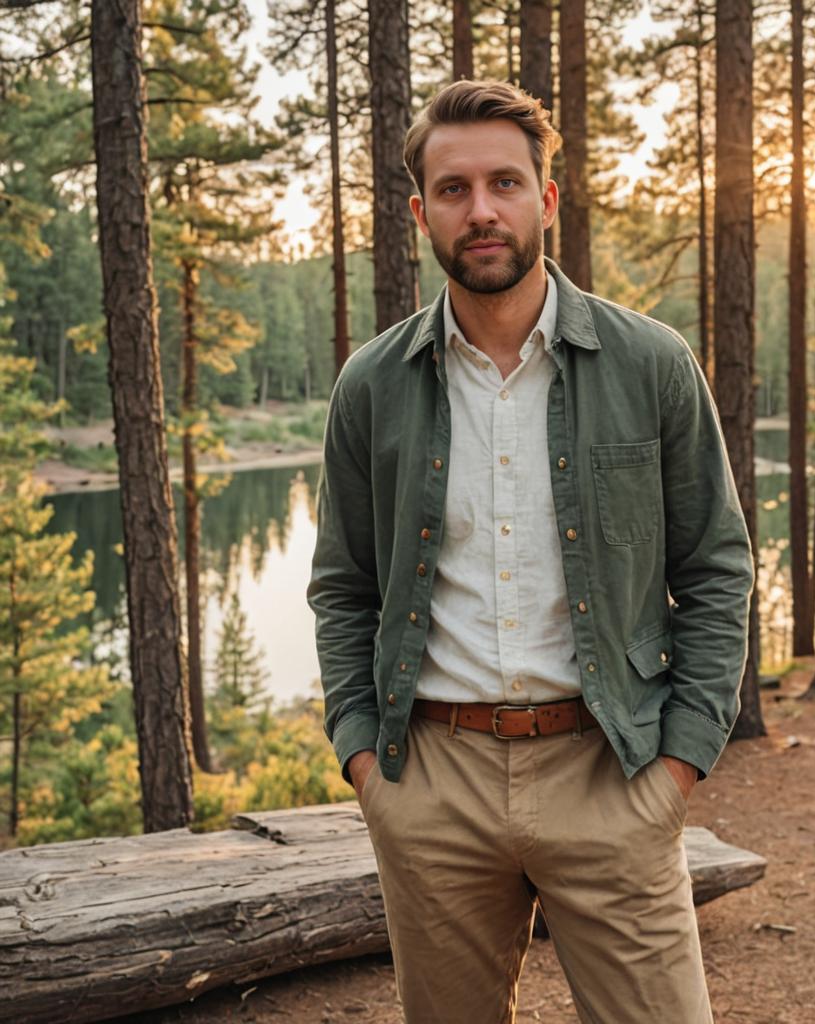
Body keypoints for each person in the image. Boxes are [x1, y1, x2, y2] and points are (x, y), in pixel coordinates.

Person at [307, 78, 755, 1024]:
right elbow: (343, 587)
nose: (482, 211)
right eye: (456, 188)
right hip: (433, 781)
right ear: (420, 208)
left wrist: (679, 768)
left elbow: (715, 570)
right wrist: (366, 766)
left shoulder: (651, 364)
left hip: (613, 766)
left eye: (505, 183)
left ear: (546, 200)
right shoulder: (372, 385)